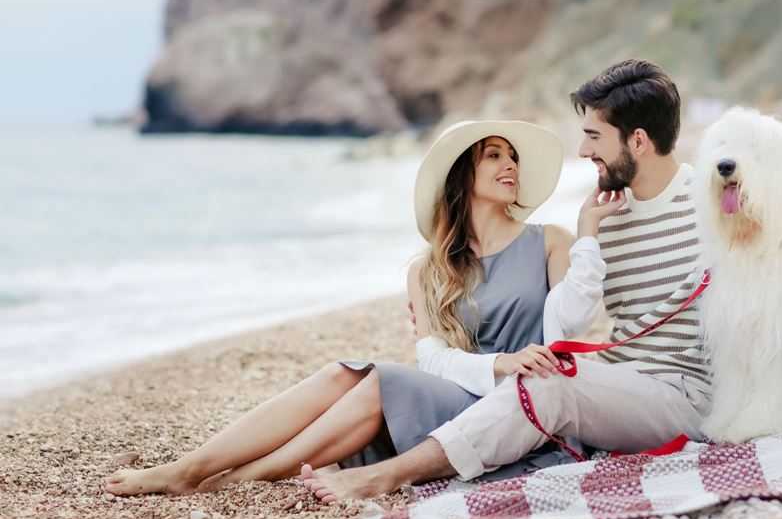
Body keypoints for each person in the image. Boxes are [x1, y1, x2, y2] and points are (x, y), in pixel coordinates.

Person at [103, 120, 597, 496]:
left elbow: (569, 328)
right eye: (494, 155)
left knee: (377, 380)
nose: (510, 165)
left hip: (516, 408)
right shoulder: (428, 269)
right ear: (463, 173)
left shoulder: (549, 240)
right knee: (344, 373)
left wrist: (589, 234)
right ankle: (195, 468)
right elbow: (433, 359)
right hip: (460, 396)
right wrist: (496, 361)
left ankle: (212, 478)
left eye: (512, 157)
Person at [302, 59, 716, 502]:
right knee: (546, 376)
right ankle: (228, 469)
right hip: (620, 388)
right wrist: (588, 235)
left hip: (685, 397)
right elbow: (567, 321)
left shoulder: (718, 204)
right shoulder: (606, 220)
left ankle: (387, 475)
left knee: (547, 382)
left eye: (593, 136)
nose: (582, 151)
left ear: (637, 140)